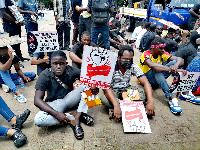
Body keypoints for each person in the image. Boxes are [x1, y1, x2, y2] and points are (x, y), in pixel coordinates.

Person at [34, 50, 95, 140]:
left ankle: (76, 120)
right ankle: (74, 116)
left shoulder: (71, 70)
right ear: (51, 64)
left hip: (70, 99)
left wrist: (94, 86)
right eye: (55, 63)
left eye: (61, 63)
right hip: (55, 104)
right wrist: (56, 114)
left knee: (88, 87)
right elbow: (37, 100)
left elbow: (89, 76)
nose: (58, 67)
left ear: (66, 63)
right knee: (38, 120)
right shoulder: (45, 75)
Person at [101, 45, 155, 121]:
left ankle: (116, 107)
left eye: (130, 59)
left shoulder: (133, 66)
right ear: (118, 57)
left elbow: (146, 82)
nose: (128, 61)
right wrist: (116, 105)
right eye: (125, 59)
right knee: (104, 99)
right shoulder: (110, 66)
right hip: (113, 90)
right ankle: (131, 106)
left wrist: (150, 101)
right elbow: (106, 87)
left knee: (144, 94)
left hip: (127, 88)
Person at [139, 38, 186, 115]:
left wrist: (175, 66)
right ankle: (171, 97)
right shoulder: (146, 54)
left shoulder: (162, 54)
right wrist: (174, 70)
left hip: (157, 77)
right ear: (153, 48)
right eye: (161, 48)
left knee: (174, 62)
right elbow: (152, 66)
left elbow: (180, 59)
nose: (163, 50)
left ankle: (179, 88)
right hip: (146, 80)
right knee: (157, 71)